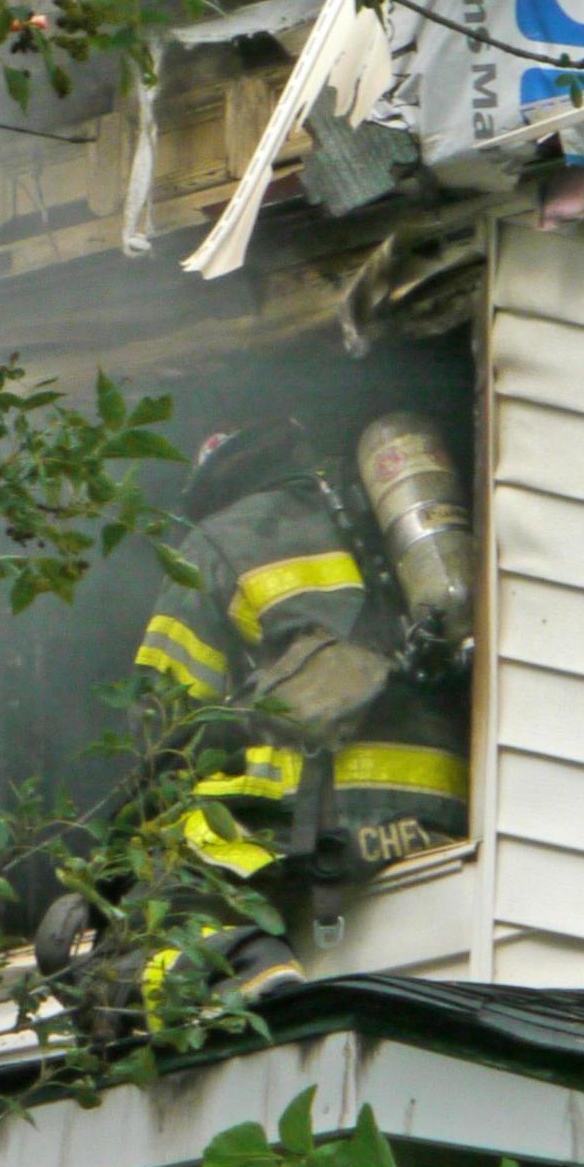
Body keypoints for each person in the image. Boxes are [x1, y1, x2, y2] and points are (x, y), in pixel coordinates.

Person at [38, 417, 472, 1030]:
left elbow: (168, 727)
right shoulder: (380, 532)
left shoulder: (218, 542)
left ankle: (249, 969)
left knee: (150, 910)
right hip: (439, 813)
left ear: (211, 484)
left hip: (327, 822)